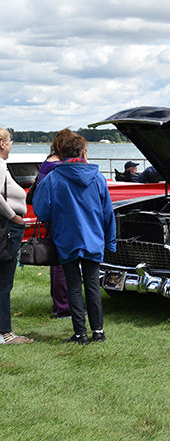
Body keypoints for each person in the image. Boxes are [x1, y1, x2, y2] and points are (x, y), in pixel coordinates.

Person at [33, 130, 116, 344]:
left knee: (73, 286)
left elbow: (41, 211)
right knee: (92, 285)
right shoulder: (97, 177)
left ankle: (80, 334)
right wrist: (111, 241)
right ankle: (98, 332)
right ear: (82, 151)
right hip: (93, 238)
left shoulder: (53, 178)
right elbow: (108, 212)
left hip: (67, 238)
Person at [0, 128, 33, 344]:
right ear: (2, 144)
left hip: (6, 226)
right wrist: (14, 217)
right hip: (7, 228)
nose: (12, 145)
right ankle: (6, 333)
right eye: (10, 141)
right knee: (4, 281)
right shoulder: (0, 164)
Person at [33, 137, 70, 319]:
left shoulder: (47, 163)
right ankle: (63, 306)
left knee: (57, 263)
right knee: (62, 263)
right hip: (59, 217)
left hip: (51, 216)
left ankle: (59, 303)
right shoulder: (58, 166)